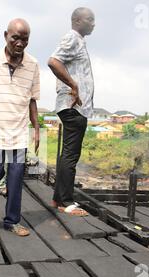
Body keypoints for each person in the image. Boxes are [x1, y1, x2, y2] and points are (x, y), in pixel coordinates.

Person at [0, 18, 40, 237]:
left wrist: (37, 129)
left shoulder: (33, 65)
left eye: (25, 39)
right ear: (5, 35)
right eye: (15, 38)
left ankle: (12, 220)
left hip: (19, 130)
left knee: (16, 175)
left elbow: (32, 100)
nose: (20, 43)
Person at [48, 7, 95, 216]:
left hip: (76, 107)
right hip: (73, 106)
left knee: (67, 154)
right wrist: (74, 86)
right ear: (77, 21)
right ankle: (66, 202)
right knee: (70, 155)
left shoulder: (79, 41)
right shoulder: (73, 38)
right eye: (90, 19)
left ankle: (58, 198)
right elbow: (53, 61)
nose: (94, 23)